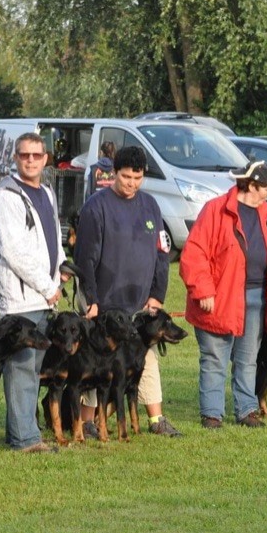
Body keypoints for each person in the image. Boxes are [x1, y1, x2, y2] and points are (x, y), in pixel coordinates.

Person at [180, 161, 267, 429]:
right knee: (215, 358)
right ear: (252, 185)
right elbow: (194, 254)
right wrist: (203, 290)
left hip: (257, 299)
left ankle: (246, 409)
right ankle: (212, 413)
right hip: (218, 298)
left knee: (248, 358)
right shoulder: (215, 211)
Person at [74, 145, 181, 437]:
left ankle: (157, 420)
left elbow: (162, 253)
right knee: (97, 361)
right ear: (114, 174)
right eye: (125, 177)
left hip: (140, 305)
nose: (131, 183)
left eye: (137, 177)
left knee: (145, 358)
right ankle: (87, 421)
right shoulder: (96, 207)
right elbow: (85, 259)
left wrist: (157, 294)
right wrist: (91, 300)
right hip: (104, 303)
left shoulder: (151, 206)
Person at [0, 132, 65, 453]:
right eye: (24, 155)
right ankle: (25, 440)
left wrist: (59, 273)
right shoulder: (6, 196)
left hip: (44, 295)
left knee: (34, 368)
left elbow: (54, 240)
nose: (30, 160)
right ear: (15, 159)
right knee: (20, 368)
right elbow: (13, 250)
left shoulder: (46, 191)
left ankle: (23, 431)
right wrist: (48, 287)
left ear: (45, 158)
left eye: (36, 155)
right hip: (20, 299)